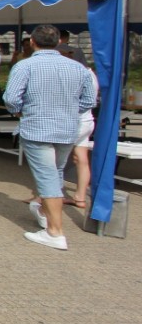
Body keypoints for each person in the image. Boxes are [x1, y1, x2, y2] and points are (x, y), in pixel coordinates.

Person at [3, 25, 97, 250]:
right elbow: (89, 100)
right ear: (58, 42)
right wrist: (69, 110)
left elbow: (11, 98)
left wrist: (20, 110)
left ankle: (55, 232)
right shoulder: (78, 68)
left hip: (38, 126)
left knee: (48, 178)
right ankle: (46, 214)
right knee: (55, 173)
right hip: (67, 128)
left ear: (33, 42)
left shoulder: (25, 66)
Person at [65, 59, 98, 211]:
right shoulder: (91, 75)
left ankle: (44, 196)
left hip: (74, 122)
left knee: (52, 160)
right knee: (81, 159)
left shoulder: (81, 74)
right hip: (86, 122)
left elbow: (86, 101)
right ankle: (80, 196)